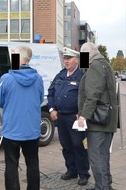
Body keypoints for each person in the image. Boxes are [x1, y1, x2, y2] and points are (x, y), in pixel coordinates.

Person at [0, 46, 44, 190]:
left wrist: (10, 104)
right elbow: (39, 99)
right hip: (32, 129)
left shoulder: (7, 78)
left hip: (12, 129)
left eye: (13, 55)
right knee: (33, 163)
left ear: (18, 58)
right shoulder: (38, 78)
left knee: (11, 164)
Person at [77, 42, 118, 190]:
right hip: (107, 119)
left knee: (96, 157)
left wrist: (83, 116)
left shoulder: (94, 66)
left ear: (86, 54)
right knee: (103, 156)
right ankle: (104, 185)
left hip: (98, 121)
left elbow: (92, 95)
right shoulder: (105, 64)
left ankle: (102, 187)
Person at [47, 47, 90, 186]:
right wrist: (52, 108)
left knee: (78, 145)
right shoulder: (60, 75)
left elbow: (87, 96)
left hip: (75, 117)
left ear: (76, 59)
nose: (66, 61)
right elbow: (51, 92)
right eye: (65, 58)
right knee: (65, 145)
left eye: (69, 58)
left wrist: (82, 113)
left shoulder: (82, 76)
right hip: (61, 116)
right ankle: (71, 170)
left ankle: (83, 173)